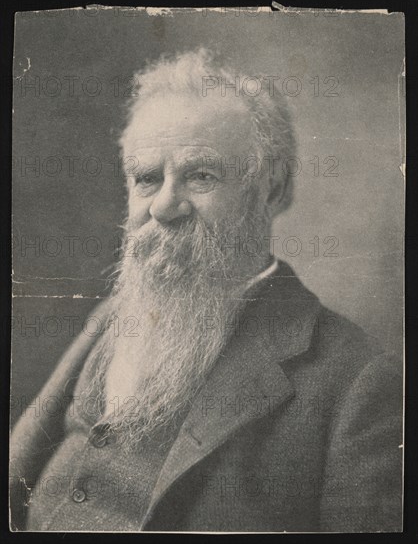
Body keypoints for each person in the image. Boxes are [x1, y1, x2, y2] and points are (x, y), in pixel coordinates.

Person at [10, 48, 403, 532]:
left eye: (200, 175)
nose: (164, 208)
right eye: (147, 179)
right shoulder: (113, 316)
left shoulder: (357, 381)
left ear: (272, 189)